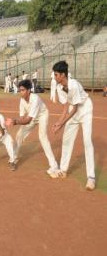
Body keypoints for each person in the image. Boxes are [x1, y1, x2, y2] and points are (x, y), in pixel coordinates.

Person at [51, 61, 96, 191]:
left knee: (87, 141)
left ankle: (91, 178)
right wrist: (59, 122)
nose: (54, 77)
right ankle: (63, 170)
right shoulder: (59, 87)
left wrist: (62, 124)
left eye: (56, 74)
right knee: (67, 139)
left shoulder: (74, 85)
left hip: (85, 109)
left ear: (63, 75)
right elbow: (66, 106)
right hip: (73, 110)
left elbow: (75, 108)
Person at [5, 79, 60, 177]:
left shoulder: (35, 99)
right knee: (19, 134)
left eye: (22, 90)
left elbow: (28, 120)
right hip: (31, 117)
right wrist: (17, 125)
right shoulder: (22, 101)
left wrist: (14, 121)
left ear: (29, 90)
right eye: (20, 90)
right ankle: (14, 158)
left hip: (42, 115)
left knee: (42, 138)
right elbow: (23, 118)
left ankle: (54, 166)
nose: (20, 92)